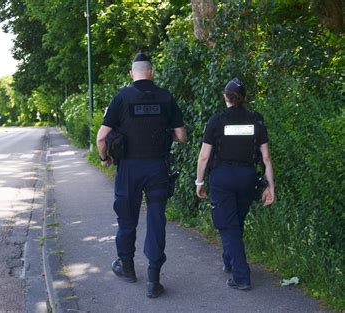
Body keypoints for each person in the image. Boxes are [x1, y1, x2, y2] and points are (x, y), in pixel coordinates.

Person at [96, 52, 186, 298]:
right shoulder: (166, 97)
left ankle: (127, 267)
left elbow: (102, 137)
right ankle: (154, 279)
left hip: (129, 170)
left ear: (131, 73)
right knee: (157, 219)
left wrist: (105, 158)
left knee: (127, 219)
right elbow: (181, 136)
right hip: (157, 168)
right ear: (152, 72)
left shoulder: (122, 98)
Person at [195, 77, 275, 290]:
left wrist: (199, 181)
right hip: (247, 178)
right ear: (244, 98)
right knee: (236, 221)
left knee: (228, 225)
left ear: (225, 97)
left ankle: (241, 276)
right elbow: (266, 158)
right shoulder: (256, 121)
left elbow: (204, 157)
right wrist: (270, 186)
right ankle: (229, 261)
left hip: (222, 178)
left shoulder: (217, 121)